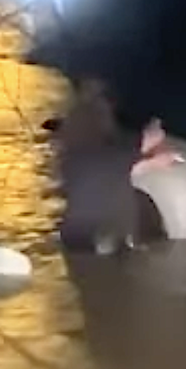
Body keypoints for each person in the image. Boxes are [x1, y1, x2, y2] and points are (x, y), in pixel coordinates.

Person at [54, 77, 144, 254]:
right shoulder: (96, 112)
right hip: (102, 226)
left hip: (75, 226)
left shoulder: (73, 119)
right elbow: (113, 163)